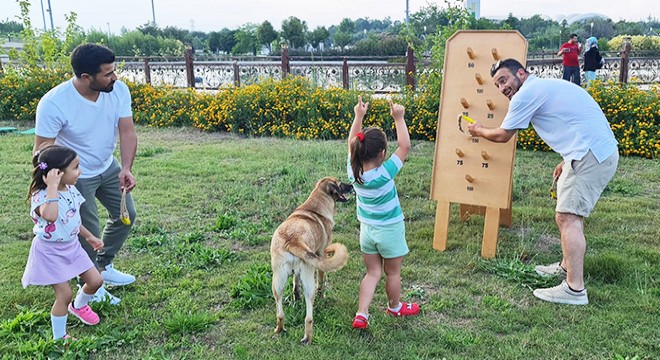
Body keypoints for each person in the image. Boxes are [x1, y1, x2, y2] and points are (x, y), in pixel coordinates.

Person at [467, 59, 618, 305]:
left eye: (504, 80)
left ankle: (574, 289)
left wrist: (479, 131)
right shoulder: (543, 88)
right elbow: (570, 120)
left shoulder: (526, 94)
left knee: (568, 217)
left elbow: (503, 135)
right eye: (497, 85)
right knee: (568, 216)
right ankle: (566, 267)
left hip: (590, 155)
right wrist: (566, 159)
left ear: (521, 73)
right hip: (590, 152)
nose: (502, 88)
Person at [34, 43, 138, 305]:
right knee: (85, 229)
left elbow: (127, 131)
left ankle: (103, 267)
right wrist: (53, 185)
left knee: (126, 217)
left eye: (114, 71)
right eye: (108, 73)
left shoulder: (118, 91)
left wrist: (126, 167)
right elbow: (41, 151)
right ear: (85, 77)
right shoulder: (54, 103)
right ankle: (88, 288)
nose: (114, 77)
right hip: (76, 176)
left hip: (108, 165)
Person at [348, 96, 419, 329]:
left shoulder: (353, 171)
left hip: (367, 231)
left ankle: (362, 313)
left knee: (372, 273)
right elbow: (405, 146)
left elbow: (351, 142)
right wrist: (399, 118)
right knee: (392, 272)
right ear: (382, 154)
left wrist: (359, 116)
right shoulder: (385, 173)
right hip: (389, 231)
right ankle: (395, 307)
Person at [22, 145, 105, 340]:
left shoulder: (70, 189)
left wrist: (88, 236)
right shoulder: (41, 196)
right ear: (56, 173)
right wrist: (52, 187)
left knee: (96, 281)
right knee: (64, 294)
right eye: (75, 167)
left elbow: (72, 218)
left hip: (72, 246)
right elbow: (51, 216)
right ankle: (60, 337)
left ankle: (79, 306)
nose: (80, 171)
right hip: (50, 252)